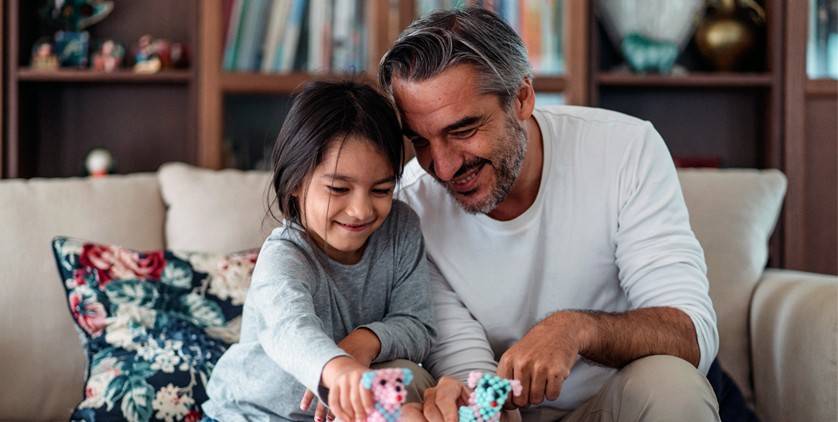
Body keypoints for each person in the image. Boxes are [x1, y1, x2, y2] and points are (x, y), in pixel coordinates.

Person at [379, 7, 720, 422]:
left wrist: (576, 329)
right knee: (389, 380)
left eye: (463, 130)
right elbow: (461, 355)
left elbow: (692, 334)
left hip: (608, 408)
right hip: (498, 410)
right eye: (421, 141)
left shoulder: (626, 149)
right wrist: (485, 406)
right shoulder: (410, 203)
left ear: (522, 98)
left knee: (672, 382)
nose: (444, 167)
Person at [202, 80, 436, 422]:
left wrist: (364, 341)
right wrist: (335, 368)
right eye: (338, 188)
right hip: (251, 413)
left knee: (406, 381)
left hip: (342, 411)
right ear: (296, 183)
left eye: (381, 189)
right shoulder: (284, 255)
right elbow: (290, 328)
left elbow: (418, 325)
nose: (361, 210)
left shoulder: (401, 228)